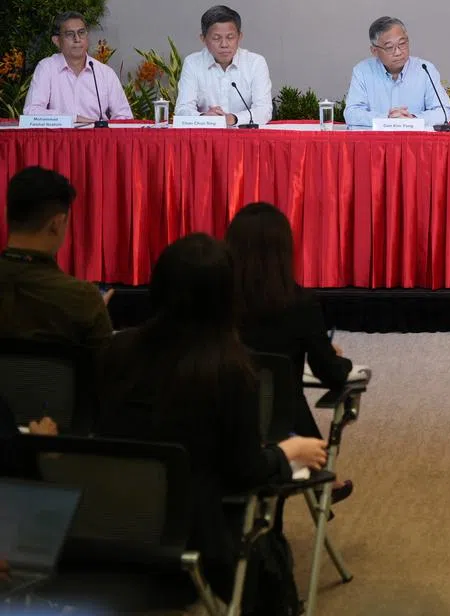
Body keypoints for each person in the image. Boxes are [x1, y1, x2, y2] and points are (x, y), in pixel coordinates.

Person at [95, 234, 327, 600]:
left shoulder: (116, 349)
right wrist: (290, 449)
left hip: (103, 529)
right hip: (189, 540)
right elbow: (244, 471)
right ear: (227, 297)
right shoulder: (230, 371)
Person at [225, 203, 354, 502]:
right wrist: (341, 359)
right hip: (276, 430)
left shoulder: (215, 303)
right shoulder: (299, 304)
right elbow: (331, 373)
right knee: (280, 389)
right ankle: (322, 477)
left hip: (217, 426)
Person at [0, 166, 113, 354]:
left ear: (5, 214)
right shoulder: (83, 299)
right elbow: (106, 375)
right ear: (56, 224)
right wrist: (95, 309)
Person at [343, 17, 450, 129]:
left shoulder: (425, 69)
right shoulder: (362, 71)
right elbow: (352, 113)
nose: (398, 52)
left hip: (416, 143)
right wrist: (387, 119)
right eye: (390, 47)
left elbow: (444, 111)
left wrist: (413, 119)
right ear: (374, 51)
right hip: (378, 143)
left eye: (402, 43)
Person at [22, 11, 132, 122]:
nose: (77, 39)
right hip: (60, 138)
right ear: (57, 41)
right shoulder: (47, 68)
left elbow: (125, 117)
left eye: (81, 33)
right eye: (70, 34)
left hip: (96, 137)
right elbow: (31, 112)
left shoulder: (105, 73)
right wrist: (74, 119)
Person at [175, 5, 272, 126]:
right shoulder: (192, 63)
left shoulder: (255, 63)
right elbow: (182, 110)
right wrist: (205, 117)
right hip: (206, 137)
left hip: (244, 137)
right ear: (203, 39)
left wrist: (233, 118)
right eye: (216, 38)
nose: (224, 44)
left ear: (240, 37)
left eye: (230, 37)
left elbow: (264, 110)